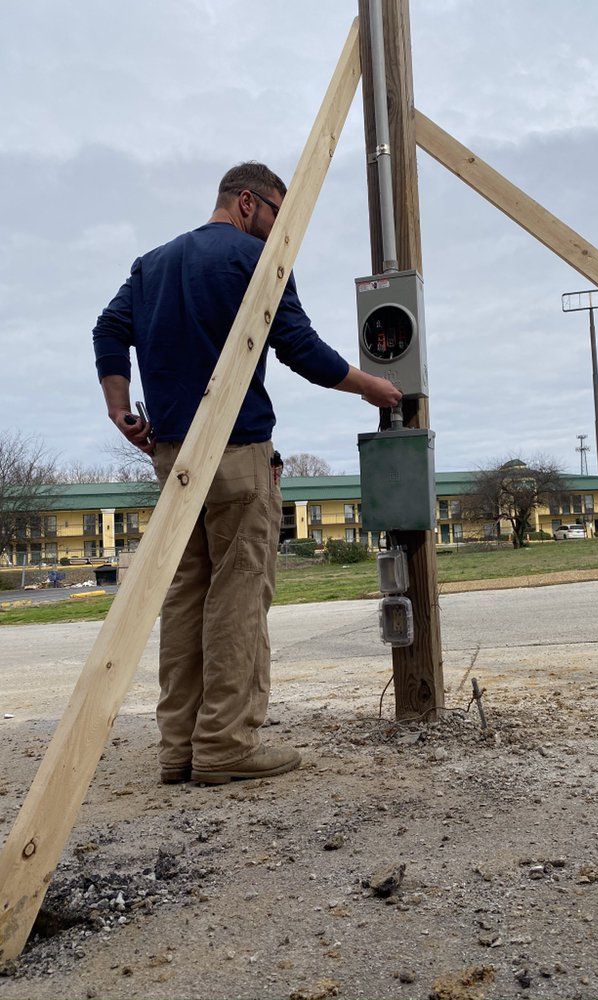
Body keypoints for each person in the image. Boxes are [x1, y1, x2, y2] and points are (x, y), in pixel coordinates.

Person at [93, 161, 401, 786]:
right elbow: (300, 347)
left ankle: (179, 748)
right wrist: (371, 387)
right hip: (236, 452)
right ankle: (226, 745)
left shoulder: (152, 263)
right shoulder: (254, 261)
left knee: (184, 595)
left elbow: (109, 330)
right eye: (275, 218)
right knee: (237, 593)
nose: (277, 234)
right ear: (246, 203)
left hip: (170, 455)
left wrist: (118, 406)